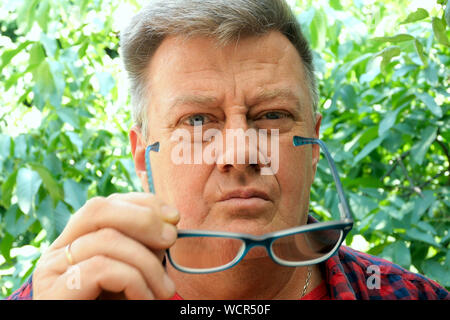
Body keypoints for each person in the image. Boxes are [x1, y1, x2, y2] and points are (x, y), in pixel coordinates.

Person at [7, 0, 449, 300]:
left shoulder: (410, 295)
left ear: (314, 147)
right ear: (144, 158)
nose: (240, 153)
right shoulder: (63, 291)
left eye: (272, 115)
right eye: (197, 121)